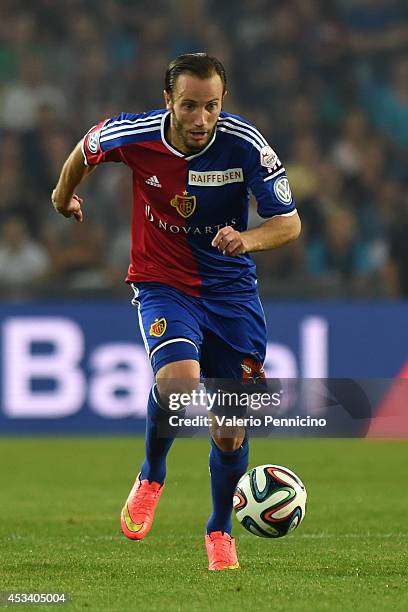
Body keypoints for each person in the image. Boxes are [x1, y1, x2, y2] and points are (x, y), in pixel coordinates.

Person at [51, 53, 301, 570]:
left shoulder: (245, 145)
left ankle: (218, 528)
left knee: (230, 425)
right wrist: (62, 196)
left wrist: (248, 238)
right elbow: (85, 147)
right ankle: (152, 473)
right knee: (177, 381)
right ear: (168, 100)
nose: (200, 119)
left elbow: (290, 223)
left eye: (210, 106)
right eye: (189, 106)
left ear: (222, 102)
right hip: (162, 282)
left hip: (231, 295)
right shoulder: (135, 135)